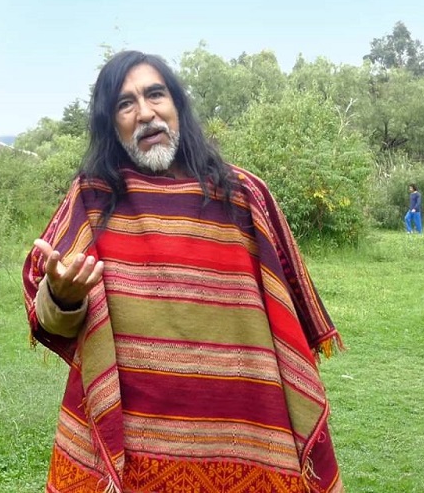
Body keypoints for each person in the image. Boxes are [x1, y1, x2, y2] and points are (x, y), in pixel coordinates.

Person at [22, 50, 345, 493]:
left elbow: (286, 315)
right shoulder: (92, 201)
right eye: (125, 103)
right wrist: (63, 295)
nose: (145, 113)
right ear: (110, 123)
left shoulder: (243, 197)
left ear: (177, 104)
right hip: (131, 445)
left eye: (155, 94)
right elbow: (52, 315)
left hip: (246, 437)